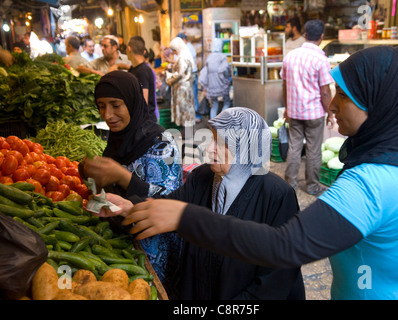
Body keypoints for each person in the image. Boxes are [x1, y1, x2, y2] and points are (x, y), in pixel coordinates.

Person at [113, 44, 398, 300]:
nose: (330, 105)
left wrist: (185, 216)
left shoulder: (374, 184)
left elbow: (283, 249)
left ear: (380, 103)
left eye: (343, 95)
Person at [95, 107, 305, 300]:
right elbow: (167, 208)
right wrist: (127, 207)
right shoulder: (203, 177)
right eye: (212, 139)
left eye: (222, 143)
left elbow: (275, 282)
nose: (210, 150)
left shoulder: (277, 196)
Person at [80, 70, 183, 297]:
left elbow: (171, 201)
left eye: (116, 105)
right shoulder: (118, 139)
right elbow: (110, 196)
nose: (108, 114)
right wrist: (90, 177)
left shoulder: (161, 143)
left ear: (132, 102)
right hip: (123, 240)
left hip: (155, 252)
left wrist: (121, 176)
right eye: (101, 105)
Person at [281, 19, 334, 196]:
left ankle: (290, 183)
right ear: (321, 37)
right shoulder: (321, 59)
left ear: (304, 35)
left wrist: (287, 109)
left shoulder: (290, 57)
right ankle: (312, 185)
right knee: (313, 150)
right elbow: (325, 92)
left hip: (294, 112)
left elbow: (285, 85)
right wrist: (331, 113)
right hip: (314, 113)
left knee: (294, 147)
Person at [115, 36, 158, 123]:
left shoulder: (143, 71)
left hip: (145, 121)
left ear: (129, 48)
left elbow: (144, 101)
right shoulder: (134, 69)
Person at [165, 37, 196, 128]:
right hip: (184, 88)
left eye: (174, 50)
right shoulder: (184, 56)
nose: (173, 52)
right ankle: (187, 134)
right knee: (186, 111)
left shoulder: (182, 58)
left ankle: (187, 136)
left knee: (184, 112)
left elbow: (180, 74)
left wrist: (169, 75)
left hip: (182, 89)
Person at [198, 38, 231, 119]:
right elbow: (225, 69)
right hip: (221, 84)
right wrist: (227, 78)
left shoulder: (209, 57)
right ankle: (222, 119)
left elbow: (204, 73)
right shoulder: (222, 57)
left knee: (214, 105)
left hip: (211, 86)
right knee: (227, 102)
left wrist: (205, 87)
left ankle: (213, 125)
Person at [177, 32, 200, 122]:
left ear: (183, 40)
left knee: (193, 95)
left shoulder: (188, 48)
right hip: (190, 74)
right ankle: (193, 115)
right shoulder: (187, 47)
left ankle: (196, 115)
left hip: (191, 74)